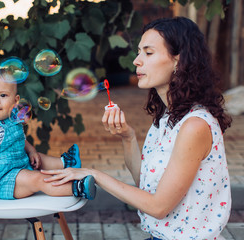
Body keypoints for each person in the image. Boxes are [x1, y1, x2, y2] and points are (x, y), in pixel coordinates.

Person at [42, 17, 232, 240]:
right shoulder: (167, 118)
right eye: (139, 52)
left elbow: (158, 206)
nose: (136, 61)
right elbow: (145, 185)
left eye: (148, 53)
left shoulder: (195, 126)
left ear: (179, 61)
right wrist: (128, 137)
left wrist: (94, 174)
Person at [0, 67, 96, 200]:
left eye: (3, 95)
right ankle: (76, 188)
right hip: (2, 182)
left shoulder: (12, 117)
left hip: (21, 165)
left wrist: (32, 150)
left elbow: (18, 139)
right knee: (38, 179)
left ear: (15, 101)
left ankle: (65, 164)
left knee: (38, 158)